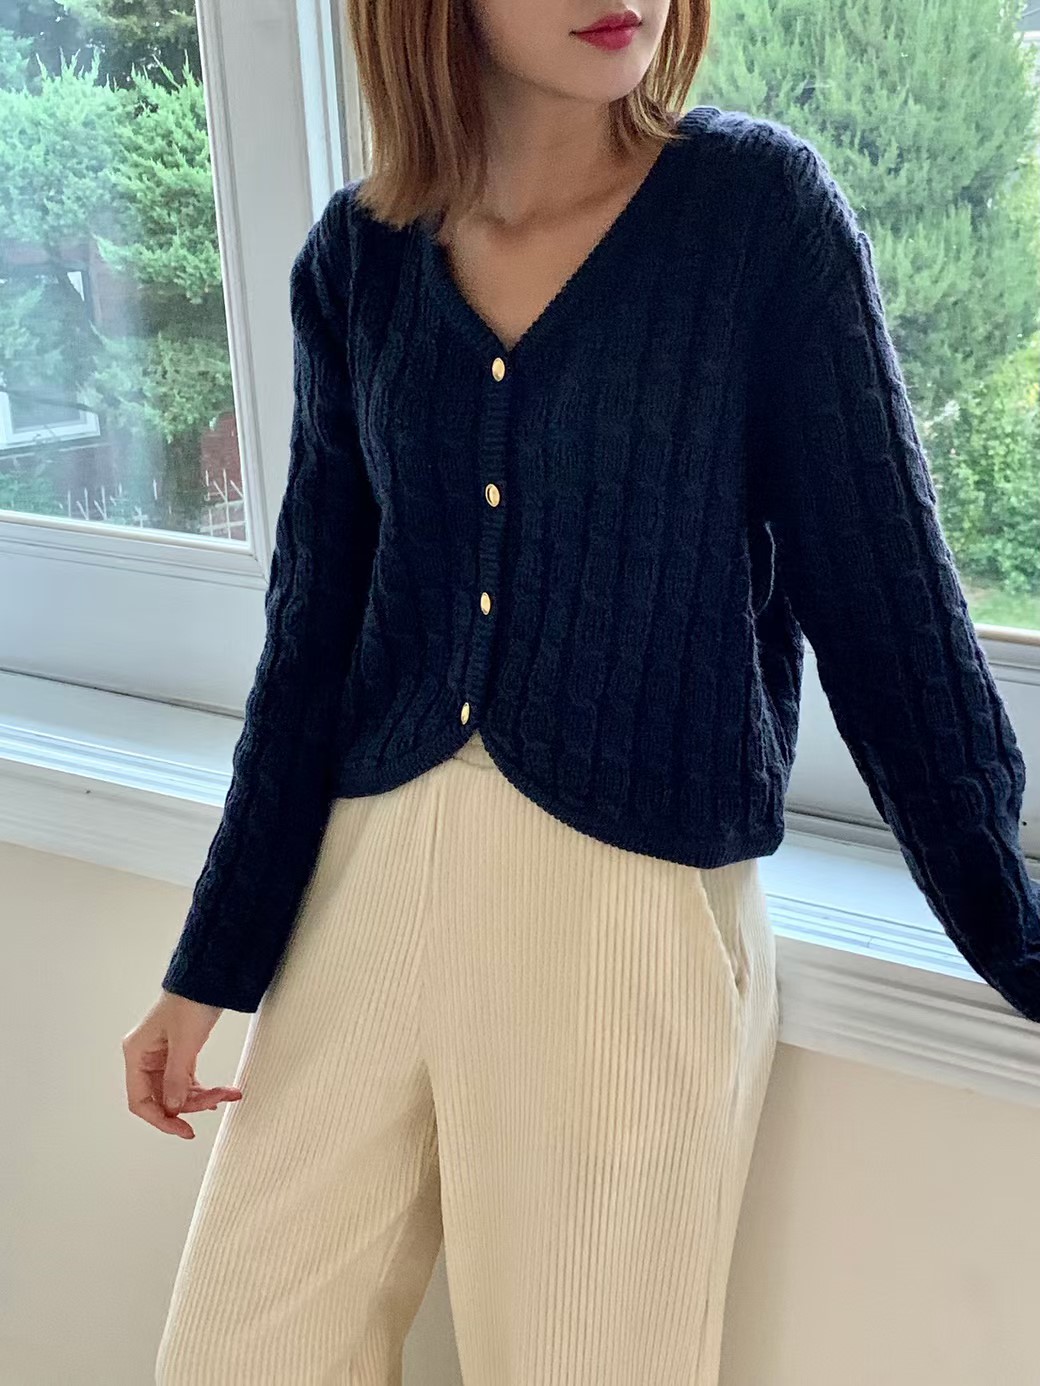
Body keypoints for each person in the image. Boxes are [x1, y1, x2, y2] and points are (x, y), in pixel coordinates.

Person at [126, 1, 1040, 1382]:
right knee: (231, 1356)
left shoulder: (757, 220)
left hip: (626, 914)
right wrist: (210, 963)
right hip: (364, 891)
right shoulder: (359, 261)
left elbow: (888, 607)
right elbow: (311, 641)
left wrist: (1013, 930)